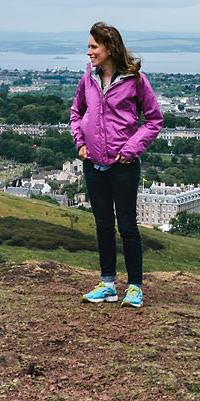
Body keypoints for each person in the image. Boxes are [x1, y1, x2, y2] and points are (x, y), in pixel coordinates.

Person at [70, 21, 162, 307]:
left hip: (123, 165)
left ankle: (134, 287)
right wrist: (80, 144)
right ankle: (108, 284)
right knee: (103, 225)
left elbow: (154, 119)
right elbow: (76, 113)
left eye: (93, 47)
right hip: (93, 164)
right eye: (89, 46)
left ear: (110, 48)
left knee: (128, 226)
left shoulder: (135, 80)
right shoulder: (88, 79)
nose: (88, 53)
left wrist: (132, 148)